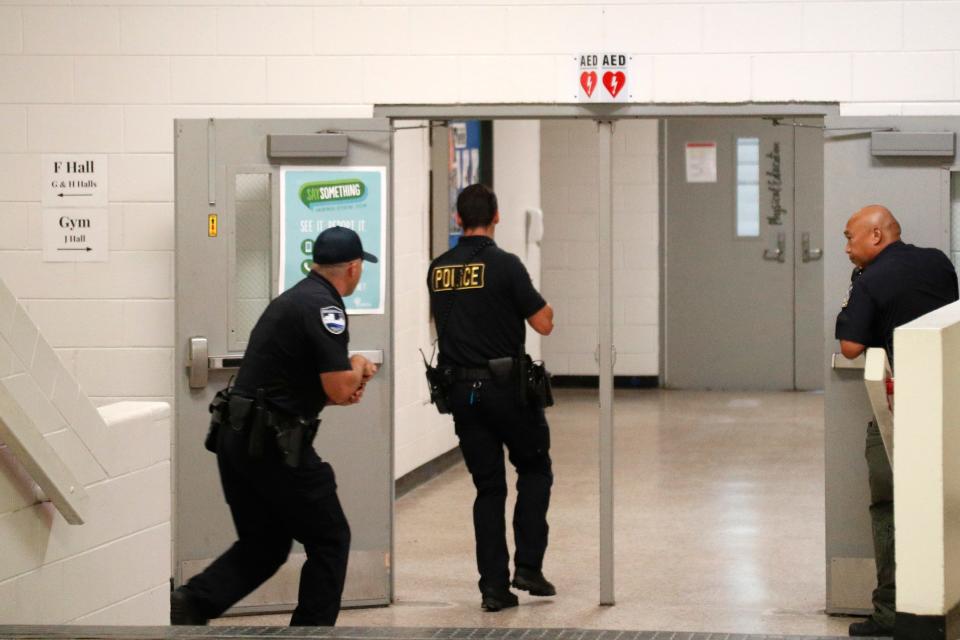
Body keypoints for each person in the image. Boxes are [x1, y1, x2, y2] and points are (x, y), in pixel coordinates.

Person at [171, 226, 380, 627]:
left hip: (238, 438)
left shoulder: (293, 300)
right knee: (331, 539)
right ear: (353, 268)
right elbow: (338, 385)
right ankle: (311, 633)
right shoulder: (326, 308)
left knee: (264, 545)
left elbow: (307, 383)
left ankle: (191, 604)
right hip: (272, 445)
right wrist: (355, 368)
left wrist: (341, 386)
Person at [427, 183, 556, 612]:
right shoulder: (505, 266)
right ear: (496, 217)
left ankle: (493, 589)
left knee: (488, 489)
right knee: (535, 468)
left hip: (462, 394)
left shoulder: (438, 269)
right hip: (507, 391)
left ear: (458, 219)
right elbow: (543, 324)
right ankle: (529, 567)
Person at [835, 204, 958, 637]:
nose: (847, 248)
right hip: (949, 402)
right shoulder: (939, 262)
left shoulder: (870, 280)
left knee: (889, 507)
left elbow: (850, 346)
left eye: (850, 238)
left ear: (875, 237)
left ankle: (890, 611)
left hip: (900, 410)